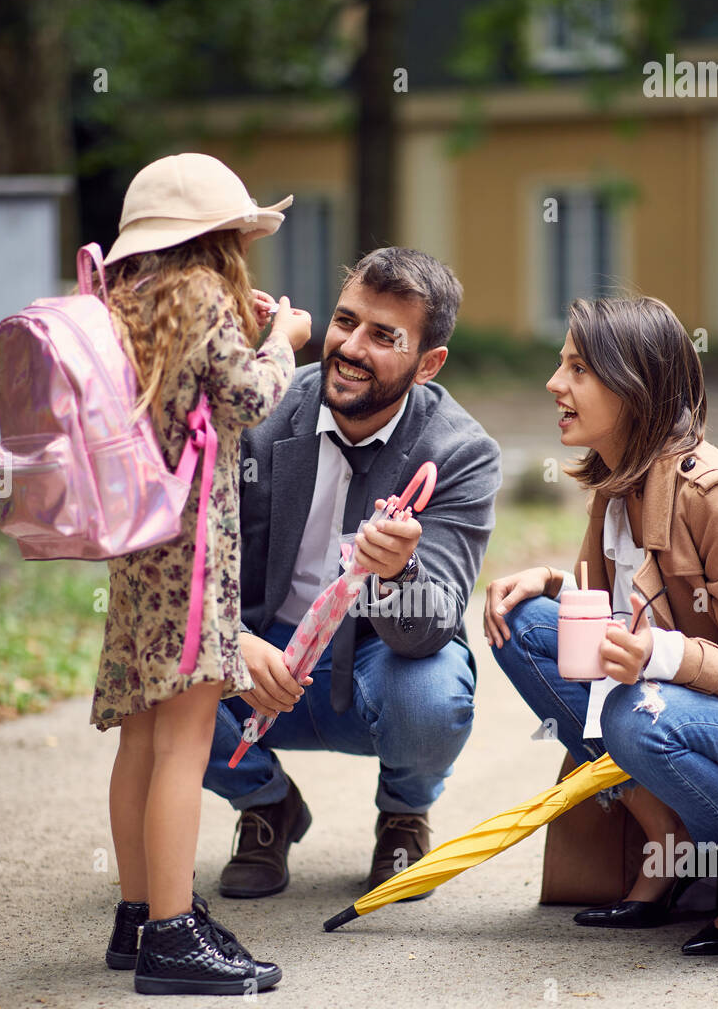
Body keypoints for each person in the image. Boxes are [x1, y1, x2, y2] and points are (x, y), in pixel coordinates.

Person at [485, 295, 718, 965]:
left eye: (578, 369)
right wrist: (556, 585)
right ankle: (666, 836)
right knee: (525, 626)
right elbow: (629, 600)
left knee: (636, 715)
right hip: (688, 701)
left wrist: (654, 655)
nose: (556, 384)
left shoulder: (716, 494)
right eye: (562, 366)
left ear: (633, 385)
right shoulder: (618, 486)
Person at [202, 247, 501, 899]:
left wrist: (398, 574)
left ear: (429, 364)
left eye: (383, 336)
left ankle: (403, 811)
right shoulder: (265, 409)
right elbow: (190, 568)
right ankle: (266, 802)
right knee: (162, 668)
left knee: (433, 692)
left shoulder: (460, 452)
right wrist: (232, 641)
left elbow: (431, 629)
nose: (350, 346)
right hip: (261, 657)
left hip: (373, 665)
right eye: (345, 321)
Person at [90, 153, 312, 994]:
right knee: (187, 740)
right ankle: (173, 939)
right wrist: (282, 343)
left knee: (143, 737)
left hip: (135, 543)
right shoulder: (203, 297)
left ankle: (137, 913)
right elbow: (250, 398)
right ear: (218, 236)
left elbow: (184, 390)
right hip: (191, 554)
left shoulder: (125, 302)